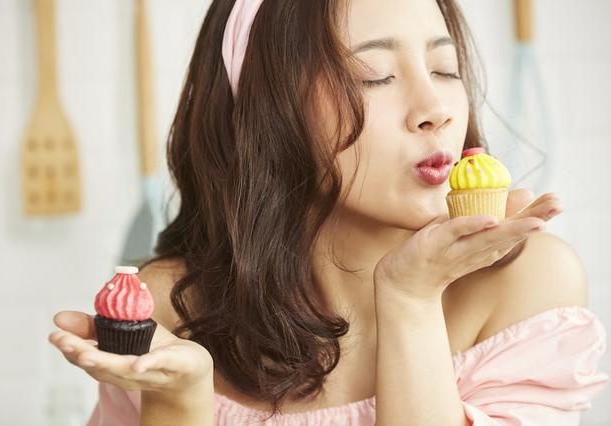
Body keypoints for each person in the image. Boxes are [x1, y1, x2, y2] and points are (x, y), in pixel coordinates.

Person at [48, 0, 610, 425]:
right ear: (268, 114)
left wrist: (410, 300)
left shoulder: (527, 285)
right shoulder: (168, 313)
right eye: (374, 77)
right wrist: (178, 399)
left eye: (445, 69)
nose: (435, 110)